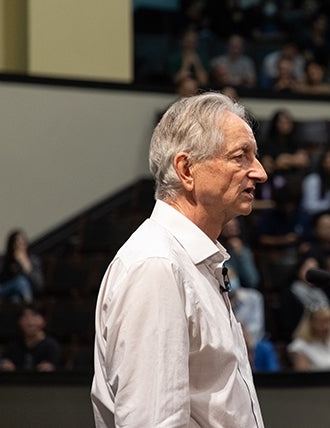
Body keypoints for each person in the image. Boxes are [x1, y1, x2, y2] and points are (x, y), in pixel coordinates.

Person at [91, 93, 267, 427]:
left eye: (254, 157)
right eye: (241, 156)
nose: (260, 173)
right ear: (186, 169)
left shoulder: (190, 261)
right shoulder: (157, 267)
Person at [0, 230, 44, 304]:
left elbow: (39, 285)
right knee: (21, 282)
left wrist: (25, 265)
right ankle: (28, 306)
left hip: (19, 295)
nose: (19, 247)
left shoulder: (33, 261)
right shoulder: (0, 260)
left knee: (15, 297)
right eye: (16, 244)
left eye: (23, 244)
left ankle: (25, 308)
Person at [287, 305, 330, 371]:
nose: (327, 326)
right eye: (322, 322)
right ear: (311, 323)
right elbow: (302, 377)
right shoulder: (300, 346)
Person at [1, 304, 61, 372]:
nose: (29, 320)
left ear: (44, 320)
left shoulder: (52, 346)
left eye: (34, 315)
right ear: (19, 321)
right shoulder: (13, 346)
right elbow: (5, 362)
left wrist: (50, 368)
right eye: (25, 316)